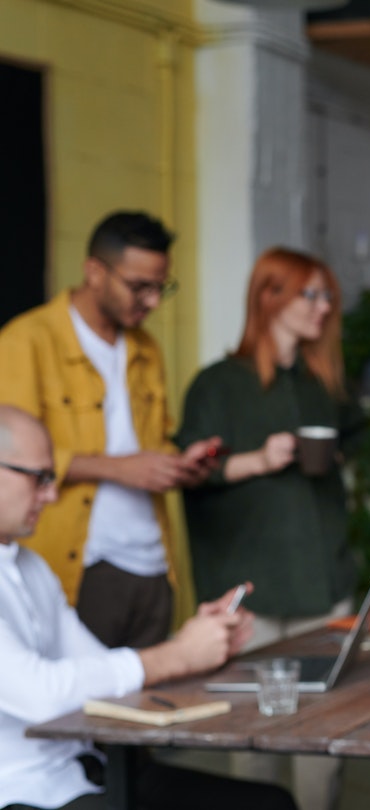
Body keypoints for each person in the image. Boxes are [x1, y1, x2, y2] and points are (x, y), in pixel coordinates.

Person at [0, 405, 297, 810]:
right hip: (27, 792)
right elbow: (41, 694)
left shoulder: (30, 566)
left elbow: (103, 667)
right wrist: (177, 655)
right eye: (39, 478)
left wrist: (198, 642)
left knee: (270, 803)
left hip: (90, 771)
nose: (52, 495)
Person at [173, 247, 361, 810]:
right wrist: (257, 458)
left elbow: (353, 441)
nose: (323, 307)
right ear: (268, 296)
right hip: (250, 585)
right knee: (255, 739)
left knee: (322, 738)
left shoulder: (320, 382)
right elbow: (189, 473)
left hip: (322, 581)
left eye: (328, 295)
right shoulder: (217, 384)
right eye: (311, 294)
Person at [0, 211, 222, 649]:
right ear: (94, 273)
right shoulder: (26, 341)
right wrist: (120, 469)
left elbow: (150, 442)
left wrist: (179, 465)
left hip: (154, 564)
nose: (153, 301)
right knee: (85, 708)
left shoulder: (146, 349)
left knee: (154, 703)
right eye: (140, 286)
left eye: (161, 287)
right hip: (81, 565)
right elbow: (12, 459)